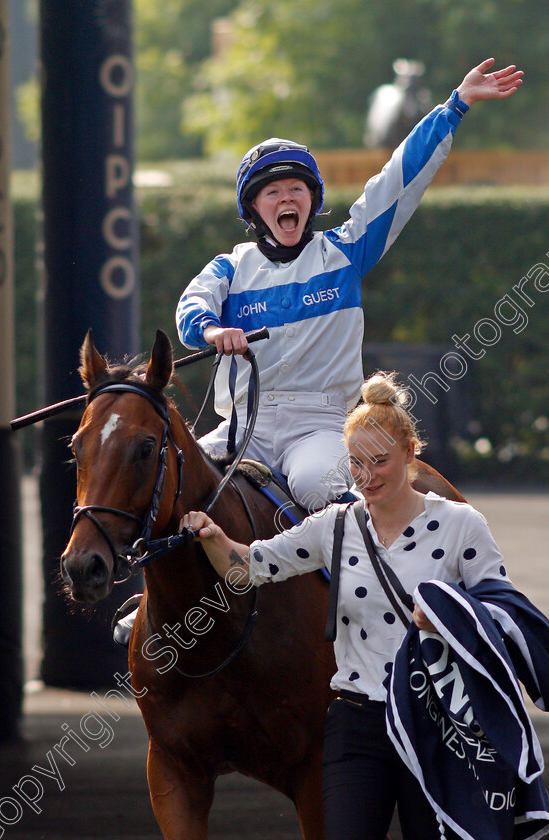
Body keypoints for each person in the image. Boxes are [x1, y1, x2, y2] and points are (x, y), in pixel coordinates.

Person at [175, 58, 523, 511]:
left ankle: (352, 578)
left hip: (319, 426)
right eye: (273, 192)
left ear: (312, 199)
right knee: (173, 487)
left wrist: (455, 106)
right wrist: (212, 331)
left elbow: (398, 180)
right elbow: (191, 306)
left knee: (321, 488)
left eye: (296, 189)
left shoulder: (346, 250)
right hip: (242, 428)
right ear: (255, 209)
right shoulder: (228, 268)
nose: (287, 198)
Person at [180, 371, 513, 840]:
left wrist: (449, 615)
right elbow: (251, 566)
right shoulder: (334, 526)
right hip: (357, 724)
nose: (366, 476)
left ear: (410, 453)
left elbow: (506, 612)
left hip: (437, 724)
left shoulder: (461, 524)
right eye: (355, 463)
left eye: (379, 461)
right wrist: (214, 538)